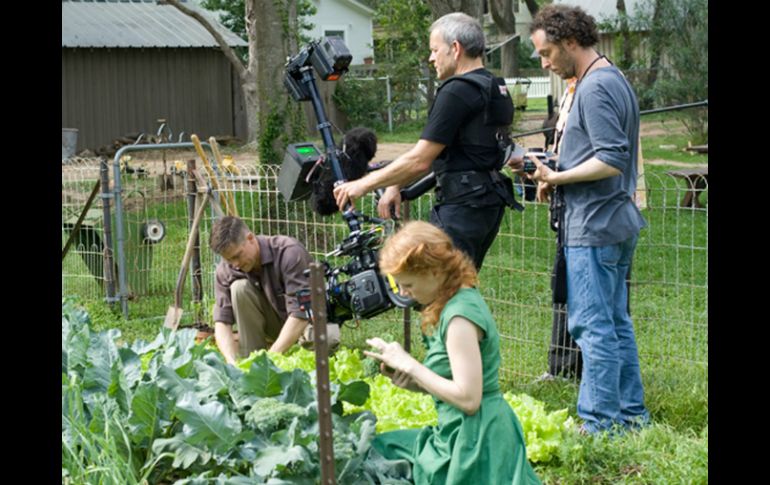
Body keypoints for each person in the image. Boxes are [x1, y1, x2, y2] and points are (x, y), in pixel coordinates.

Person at [525, 4, 650, 434]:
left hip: (594, 225)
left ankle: (599, 424)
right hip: (613, 220)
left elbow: (612, 159)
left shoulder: (595, 87)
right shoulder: (609, 77)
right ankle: (631, 416)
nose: (545, 63)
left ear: (570, 41)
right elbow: (599, 151)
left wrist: (557, 176)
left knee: (591, 326)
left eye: (547, 53)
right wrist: (554, 170)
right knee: (615, 322)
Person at [333, 12, 522, 270]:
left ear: (455, 48)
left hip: (461, 206)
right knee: (460, 285)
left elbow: (421, 160)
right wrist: (394, 186)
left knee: (440, 290)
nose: (431, 58)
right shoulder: (491, 85)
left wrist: (362, 185)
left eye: (435, 50)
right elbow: (445, 152)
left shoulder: (457, 90)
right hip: (485, 202)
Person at [364, 221, 541, 484]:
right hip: (456, 431)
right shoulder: (449, 301)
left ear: (434, 272)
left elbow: (469, 399)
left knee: (379, 458)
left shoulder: (459, 317)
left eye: (408, 284)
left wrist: (411, 365)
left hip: (477, 440)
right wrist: (413, 383)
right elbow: (453, 383)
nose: (404, 293)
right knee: (380, 449)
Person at [209, 216, 339, 365]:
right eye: (229, 260)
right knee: (239, 289)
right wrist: (231, 361)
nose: (235, 264)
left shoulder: (289, 252)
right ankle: (250, 360)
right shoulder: (226, 270)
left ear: (250, 238)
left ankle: (270, 357)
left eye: (237, 256)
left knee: (328, 338)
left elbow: (302, 312)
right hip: (274, 324)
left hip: (307, 322)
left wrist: (271, 358)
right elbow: (221, 321)